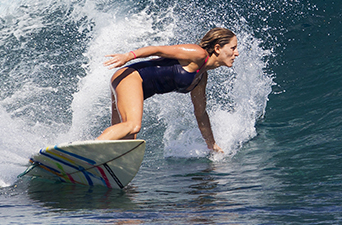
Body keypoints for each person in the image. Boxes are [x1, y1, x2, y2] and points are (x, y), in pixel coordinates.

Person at [97, 27, 239, 153]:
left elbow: (200, 114)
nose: (236, 53)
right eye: (233, 48)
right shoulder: (197, 54)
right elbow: (158, 50)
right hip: (130, 77)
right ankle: (88, 149)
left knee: (125, 141)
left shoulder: (201, 78)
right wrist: (127, 56)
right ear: (217, 48)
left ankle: (100, 162)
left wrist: (211, 144)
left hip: (130, 84)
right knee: (133, 126)